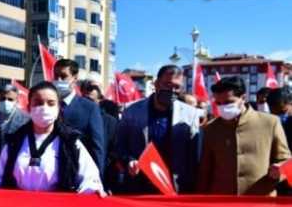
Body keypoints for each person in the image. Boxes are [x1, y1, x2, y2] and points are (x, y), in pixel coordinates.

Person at [0, 81, 105, 195]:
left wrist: (94, 189)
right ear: (28, 107)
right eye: (37, 103)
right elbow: (0, 181)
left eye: (50, 103)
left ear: (58, 108)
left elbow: (89, 179)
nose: (44, 108)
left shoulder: (71, 143)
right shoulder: (14, 142)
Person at [196, 76, 291, 196]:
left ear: (243, 98)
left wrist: (278, 172)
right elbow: (205, 171)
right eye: (218, 103)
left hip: (260, 198)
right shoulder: (210, 128)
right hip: (222, 201)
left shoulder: (270, 122)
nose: (222, 107)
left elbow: (284, 160)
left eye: (228, 102)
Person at [116, 65, 201, 194]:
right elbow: (120, 145)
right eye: (167, 85)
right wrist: (129, 160)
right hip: (138, 184)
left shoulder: (191, 114)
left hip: (173, 187)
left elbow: (194, 156)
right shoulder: (131, 110)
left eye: (177, 87)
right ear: (156, 84)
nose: (172, 90)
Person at [52, 59, 105, 175]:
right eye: (56, 76)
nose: (58, 80)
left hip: (76, 173)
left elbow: (97, 147)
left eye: (63, 76)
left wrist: (98, 180)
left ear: (74, 78)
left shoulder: (89, 108)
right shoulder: (48, 105)